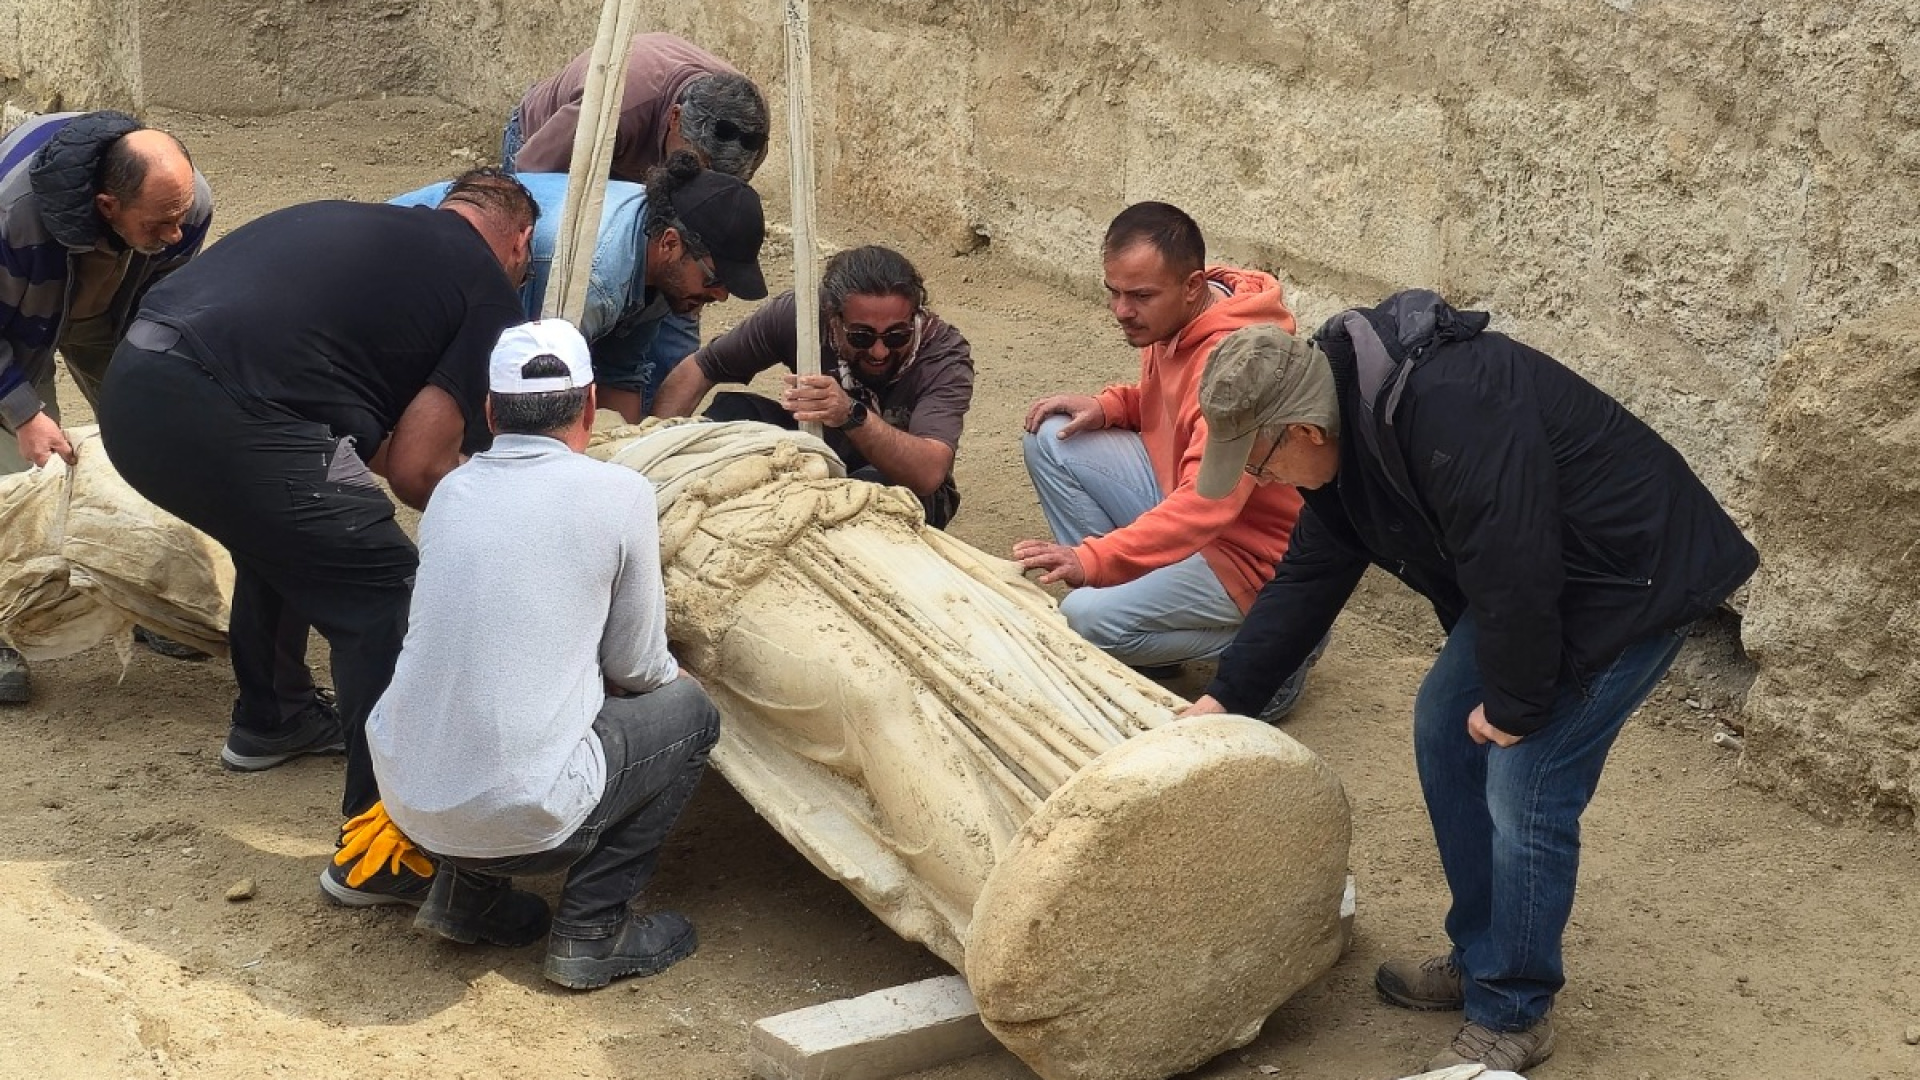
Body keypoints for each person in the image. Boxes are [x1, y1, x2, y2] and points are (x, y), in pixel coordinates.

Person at [1184, 300, 1759, 1072]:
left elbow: (1512, 556)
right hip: (1539, 580)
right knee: (1442, 723)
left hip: (1631, 578)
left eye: (1258, 464)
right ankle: (1483, 951)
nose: (1259, 481)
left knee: (1527, 781)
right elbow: (1314, 571)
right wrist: (1227, 697)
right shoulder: (1343, 427)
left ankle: (1514, 1008)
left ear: (1303, 431)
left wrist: (1519, 705)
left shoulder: (1453, 406)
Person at [96, 169, 538, 905]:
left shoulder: (365, 223)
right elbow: (417, 471)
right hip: (225, 405)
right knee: (384, 589)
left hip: (136, 387)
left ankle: (275, 718)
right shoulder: (487, 287)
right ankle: (382, 853)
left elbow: (364, 446)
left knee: (311, 526)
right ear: (519, 242)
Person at [365, 319, 719, 989]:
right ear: (591, 405)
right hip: (527, 823)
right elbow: (637, 668)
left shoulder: (452, 493)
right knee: (690, 712)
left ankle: (464, 899)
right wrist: (682, 675)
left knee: (493, 684)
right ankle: (593, 931)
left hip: (409, 800)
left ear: (491, 411)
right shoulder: (621, 494)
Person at [1012, 202, 1314, 709]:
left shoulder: (1238, 360)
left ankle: (1277, 649)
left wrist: (1094, 560)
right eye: (1114, 292)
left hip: (1249, 555)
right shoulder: (1170, 319)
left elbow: (1206, 503)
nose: (1121, 310)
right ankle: (1145, 618)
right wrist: (1112, 406)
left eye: (1139, 296)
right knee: (1052, 435)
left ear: (1192, 285)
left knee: (1081, 616)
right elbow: (1174, 409)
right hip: (1189, 501)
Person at [0, 109, 213, 701]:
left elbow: (164, 304)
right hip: (17, 306)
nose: (177, 233)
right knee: (16, 481)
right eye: (160, 222)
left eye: (181, 217)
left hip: (108, 305)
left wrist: (150, 392)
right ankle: (4, 621)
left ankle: (145, 600)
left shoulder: (185, 208)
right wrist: (22, 410)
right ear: (107, 206)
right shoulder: (11, 218)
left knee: (153, 444)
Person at [391, 152, 767, 418]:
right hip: (401, 277)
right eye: (715, 278)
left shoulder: (657, 258)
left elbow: (621, 373)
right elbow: (524, 390)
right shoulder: (593, 279)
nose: (721, 294)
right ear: (670, 243)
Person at [651, 245, 972, 529]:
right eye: (861, 337)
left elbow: (928, 474)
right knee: (732, 415)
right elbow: (699, 368)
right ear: (833, 318)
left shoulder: (943, 354)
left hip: (901, 482)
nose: (879, 351)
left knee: (868, 493)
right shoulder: (801, 315)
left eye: (896, 336)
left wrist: (850, 413)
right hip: (815, 448)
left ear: (914, 317)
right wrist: (652, 451)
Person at [503, 32, 768, 183]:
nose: (699, 183)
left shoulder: (751, 126)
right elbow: (529, 177)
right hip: (543, 145)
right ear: (675, 117)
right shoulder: (615, 106)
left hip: (629, 155)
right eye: (694, 164)